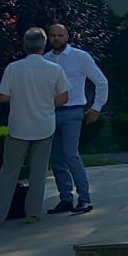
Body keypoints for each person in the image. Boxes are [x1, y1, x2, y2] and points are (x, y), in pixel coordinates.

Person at [0, 27, 70, 227]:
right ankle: (33, 212)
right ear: (44, 46)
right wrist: (47, 101)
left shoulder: (13, 68)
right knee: (38, 172)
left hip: (18, 126)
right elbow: (63, 97)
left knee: (9, 171)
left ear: (24, 46)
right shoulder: (54, 69)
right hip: (44, 125)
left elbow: (2, 96)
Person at [44, 22, 110, 216]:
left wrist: (96, 107)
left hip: (72, 111)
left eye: (60, 35)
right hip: (50, 112)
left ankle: (84, 197)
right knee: (55, 157)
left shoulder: (80, 57)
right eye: (53, 35)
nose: (56, 38)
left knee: (71, 154)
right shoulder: (46, 59)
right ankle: (65, 197)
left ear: (67, 37)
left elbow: (101, 81)